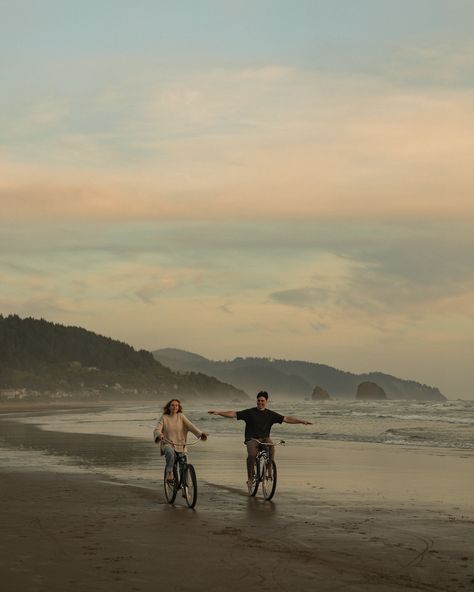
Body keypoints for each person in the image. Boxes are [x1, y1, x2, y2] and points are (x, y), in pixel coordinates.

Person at [208, 390, 312, 487]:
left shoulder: (270, 414)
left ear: (266, 401)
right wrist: (219, 412)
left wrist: (301, 421)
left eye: (262, 401)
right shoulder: (249, 413)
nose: (260, 402)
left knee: (271, 448)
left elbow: (286, 419)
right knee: (252, 455)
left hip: (265, 438)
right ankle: (250, 477)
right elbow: (234, 414)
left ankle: (269, 471)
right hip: (252, 439)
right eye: (258, 400)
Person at [154, 399, 208, 482]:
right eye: (172, 405)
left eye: (176, 405)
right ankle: (169, 472)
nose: (174, 407)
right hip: (168, 443)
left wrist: (200, 434)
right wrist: (160, 434)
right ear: (169, 407)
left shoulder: (181, 416)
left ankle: (185, 489)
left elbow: (191, 426)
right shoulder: (164, 418)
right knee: (169, 451)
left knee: (184, 468)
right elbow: (157, 429)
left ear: (179, 407)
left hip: (180, 445)